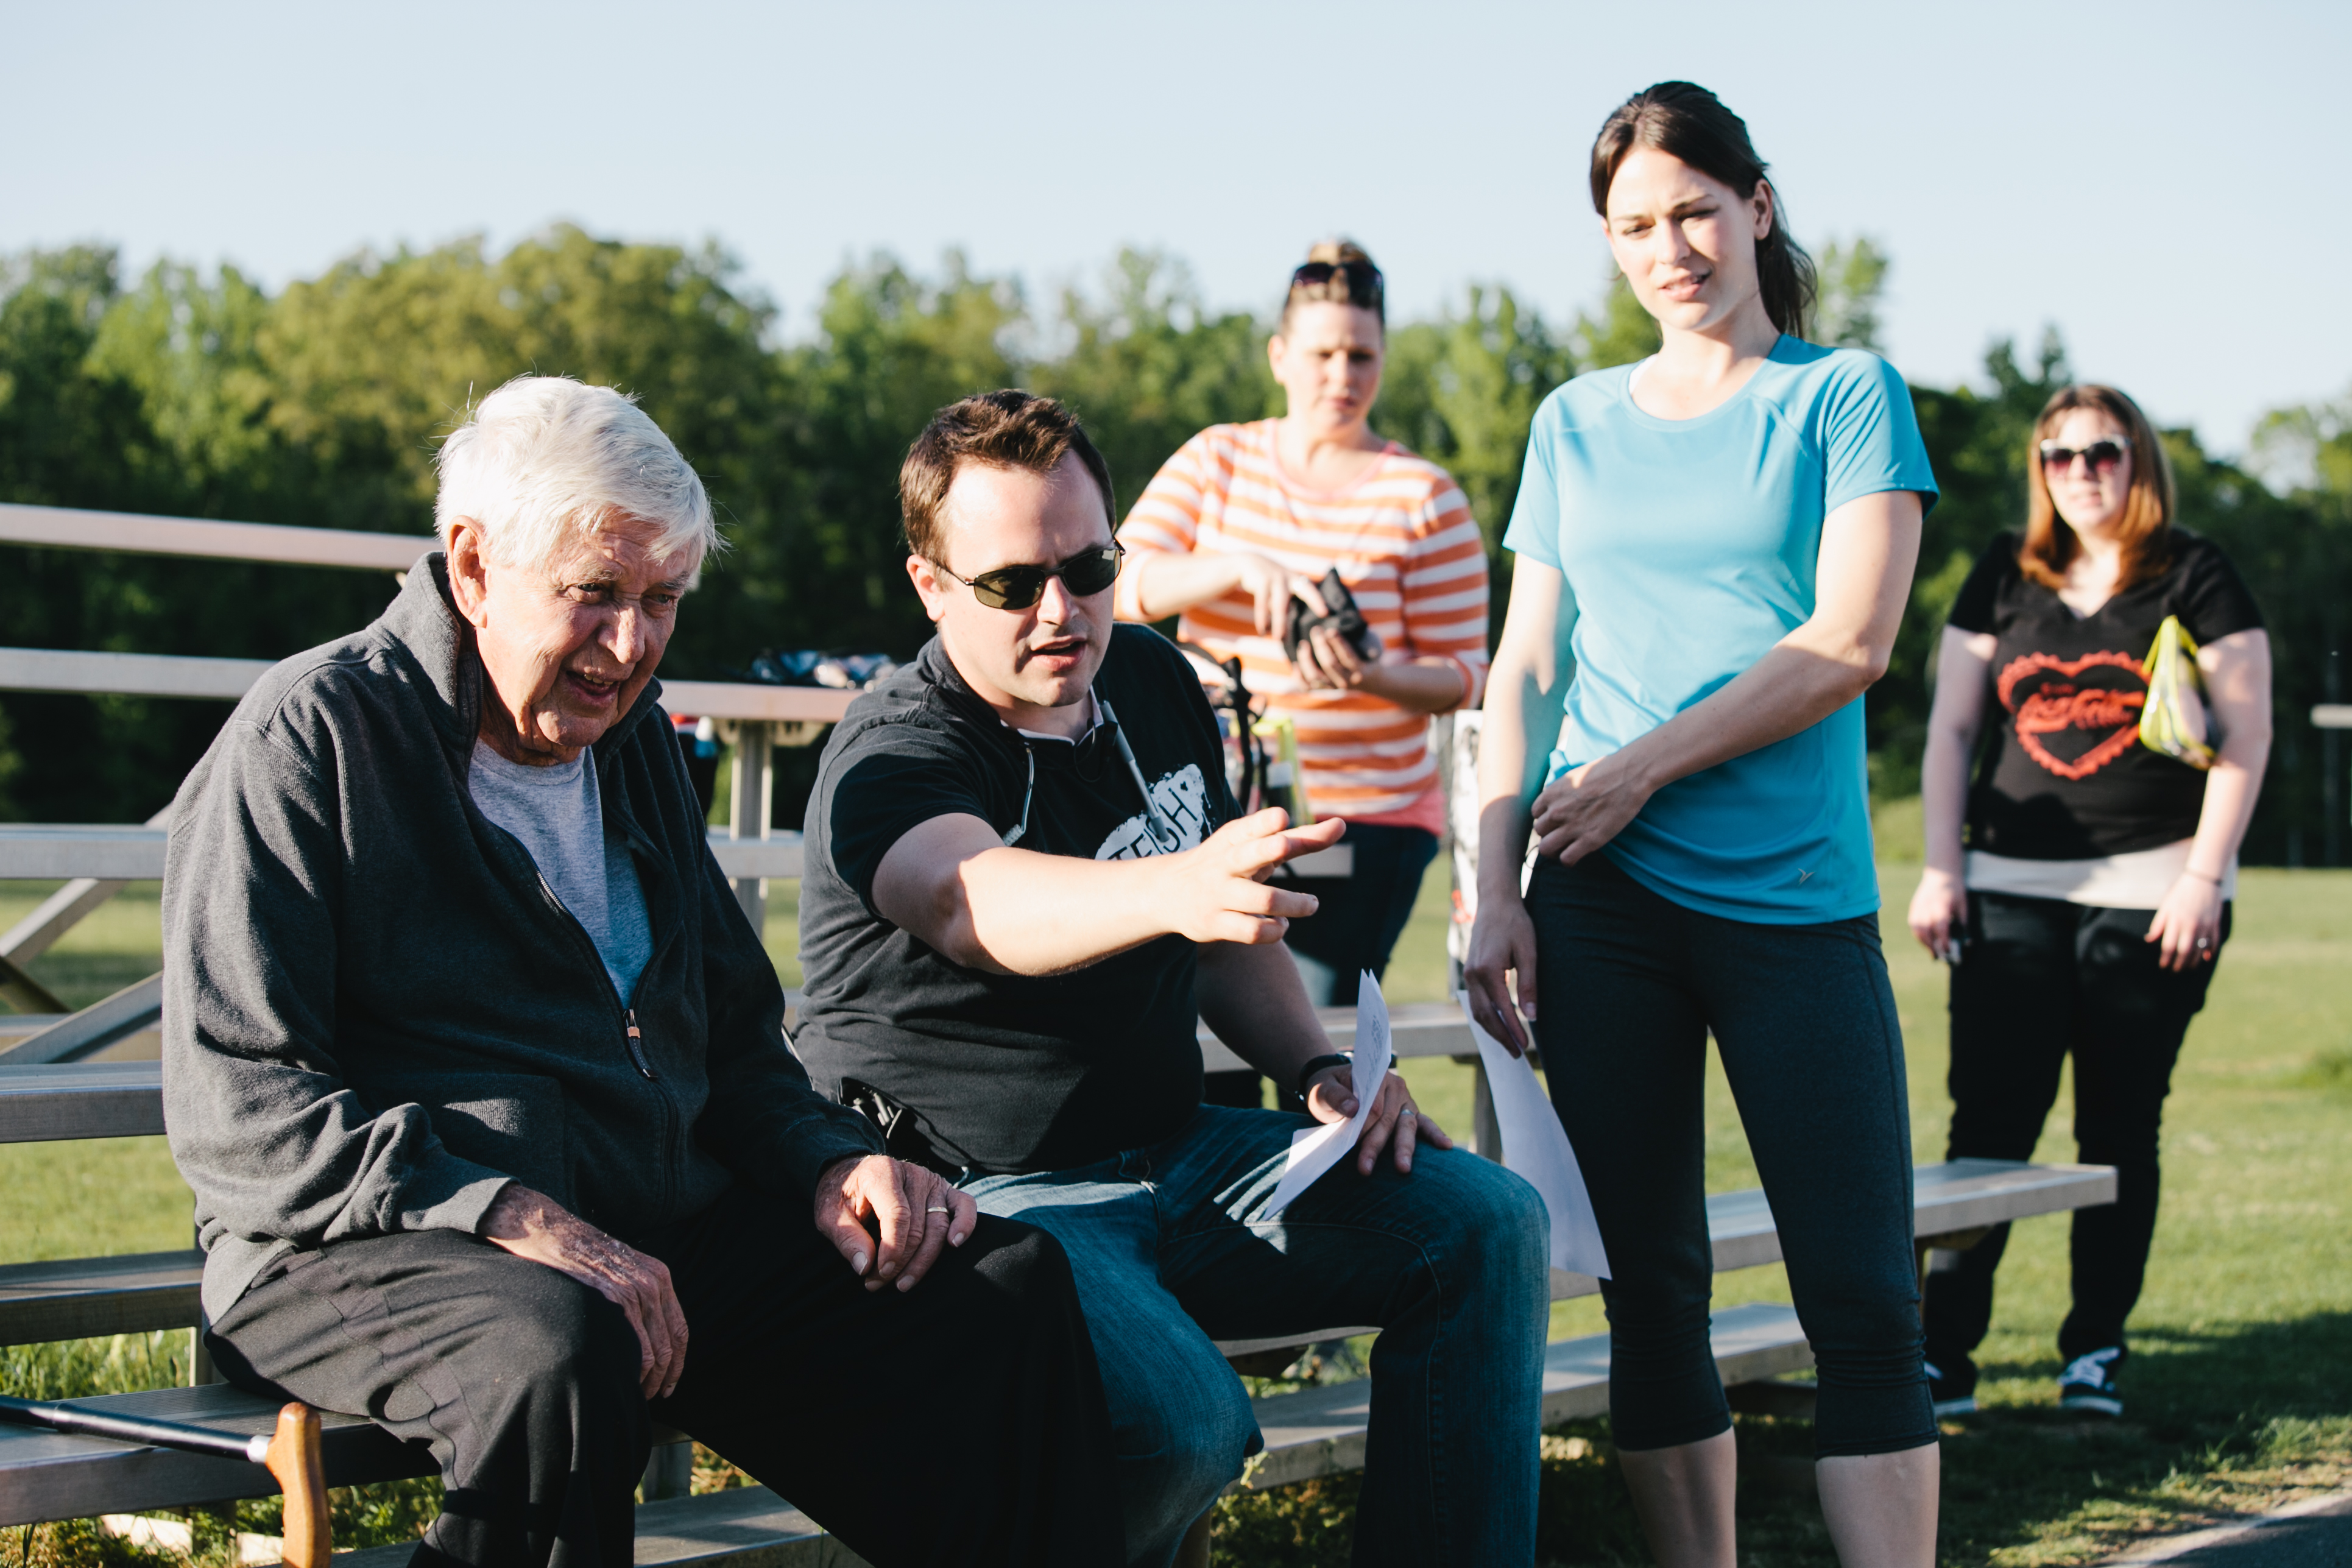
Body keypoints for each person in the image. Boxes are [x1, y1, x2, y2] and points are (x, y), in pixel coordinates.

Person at [162, 376, 1123, 1568]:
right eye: (595, 596)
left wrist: (830, 1162)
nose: (629, 647)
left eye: (662, 600)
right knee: (561, 1353)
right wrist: (501, 1209)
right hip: (357, 1247)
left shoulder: (631, 746)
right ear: (470, 564)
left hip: (642, 1236)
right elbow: (240, 1109)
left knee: (993, 1286)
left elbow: (729, 1042)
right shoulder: (313, 738)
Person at [791, 390, 1549, 1568]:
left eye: (1089, 566)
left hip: (1173, 1158)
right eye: (1010, 584)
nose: (1062, 610)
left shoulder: (1151, 681)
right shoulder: (895, 744)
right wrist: (1173, 889)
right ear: (931, 585)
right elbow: (969, 900)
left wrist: (1314, 1068)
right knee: (1184, 1426)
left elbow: (1224, 929)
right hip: (985, 1191)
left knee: (1485, 1222)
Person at [1463, 82, 1941, 1567]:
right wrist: (1492, 889)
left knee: (1859, 1299)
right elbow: (1524, 667)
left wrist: (1636, 770)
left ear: (1756, 207)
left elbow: (1846, 642)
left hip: (1793, 908)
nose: (1667, 247)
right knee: (1649, 1294)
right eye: (1630, 227)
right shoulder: (1571, 421)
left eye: (1690, 210)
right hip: (1598, 905)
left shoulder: (1842, 394)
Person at [1906, 385, 2271, 1420]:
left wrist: (2203, 876)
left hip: (2155, 893)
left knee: (2118, 1125)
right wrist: (1941, 866)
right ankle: (1944, 1354)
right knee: (1990, 1124)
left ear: (2136, 458)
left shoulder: (2193, 572)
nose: (2081, 473)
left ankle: (2093, 1350)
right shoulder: (2003, 572)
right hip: (2008, 887)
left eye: (2101, 452)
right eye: (2058, 456)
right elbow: (1948, 733)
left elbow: (2246, 736)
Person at [1117, 241, 1489, 1091]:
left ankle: (1331, 1220)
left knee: (1307, 1055)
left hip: (1365, 820)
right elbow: (1117, 581)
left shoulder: (1423, 496)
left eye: (1361, 355)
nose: (1341, 374)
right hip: (1214, 810)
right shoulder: (1217, 460)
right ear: (1281, 356)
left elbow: (1466, 673)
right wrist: (1237, 565)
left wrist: (1370, 674)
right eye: (1322, 353)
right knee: (1196, 1059)